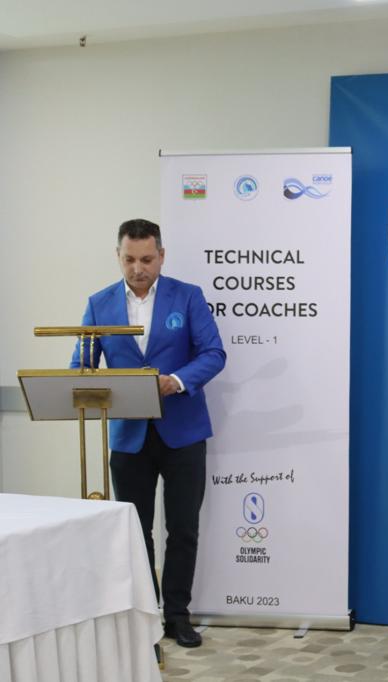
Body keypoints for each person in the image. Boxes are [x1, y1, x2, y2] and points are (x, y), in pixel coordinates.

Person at [71, 218, 226, 648]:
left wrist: (175, 380)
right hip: (128, 436)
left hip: (183, 432)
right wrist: (95, 381)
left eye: (146, 259)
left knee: (183, 529)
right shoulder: (98, 304)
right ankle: (145, 619)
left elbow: (214, 353)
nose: (138, 269)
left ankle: (177, 616)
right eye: (129, 260)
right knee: (135, 532)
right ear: (118, 257)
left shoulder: (188, 296)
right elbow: (80, 366)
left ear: (161, 255)